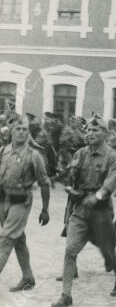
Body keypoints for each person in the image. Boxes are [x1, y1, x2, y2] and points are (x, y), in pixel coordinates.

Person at [52, 115, 116, 307]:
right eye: (88, 130)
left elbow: (111, 183)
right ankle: (66, 294)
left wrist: (98, 196)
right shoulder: (80, 153)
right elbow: (70, 176)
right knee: (70, 251)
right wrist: (68, 185)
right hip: (80, 209)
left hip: (101, 211)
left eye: (95, 130)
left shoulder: (112, 156)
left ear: (105, 133)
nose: (90, 133)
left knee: (108, 252)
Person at [0, 115, 51, 291]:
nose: (21, 132)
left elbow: (44, 183)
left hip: (21, 201)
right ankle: (28, 277)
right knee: (18, 239)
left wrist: (45, 209)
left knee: (6, 239)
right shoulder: (3, 150)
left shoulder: (33, 155)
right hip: (3, 200)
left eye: (24, 129)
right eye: (18, 129)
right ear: (11, 132)